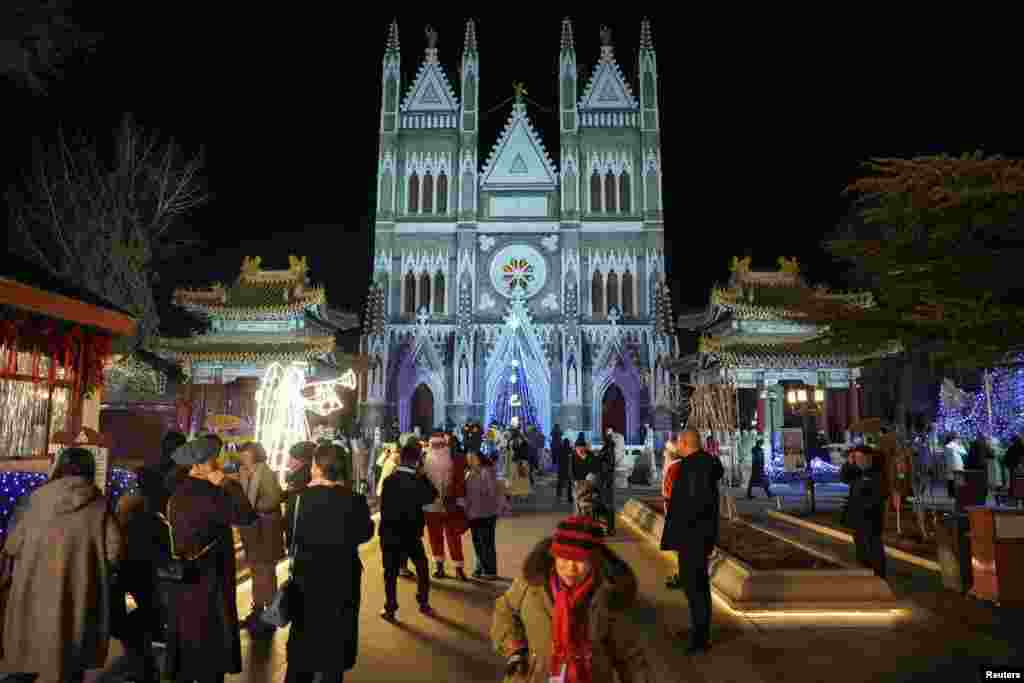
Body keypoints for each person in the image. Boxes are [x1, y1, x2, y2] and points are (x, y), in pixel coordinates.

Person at [2, 448, 123, 683]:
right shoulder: (99, 504)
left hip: (35, 590)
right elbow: (115, 549)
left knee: (30, 655)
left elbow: (13, 544)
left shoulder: (36, 500)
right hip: (79, 592)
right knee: (71, 660)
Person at [490, 516, 653, 683]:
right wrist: (515, 649)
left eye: (580, 560)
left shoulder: (610, 595)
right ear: (554, 556)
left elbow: (629, 656)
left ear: (594, 561)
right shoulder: (531, 584)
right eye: (563, 557)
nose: (570, 568)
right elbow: (505, 610)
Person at [161, 435, 258, 683]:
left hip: (183, 579)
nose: (219, 464)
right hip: (211, 578)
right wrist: (226, 483)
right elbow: (247, 515)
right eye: (214, 460)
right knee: (210, 650)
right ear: (202, 464)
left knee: (184, 644)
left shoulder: (177, 494)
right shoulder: (212, 495)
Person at [285, 443, 374, 683]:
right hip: (343, 579)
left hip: (307, 579)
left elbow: (290, 537)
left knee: (303, 640)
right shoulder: (354, 500)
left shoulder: (298, 499)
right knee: (335, 642)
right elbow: (366, 533)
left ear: (316, 467)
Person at [659, 429, 723, 654]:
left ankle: (700, 638)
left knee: (695, 587)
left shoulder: (693, 467)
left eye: (678, 441)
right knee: (695, 585)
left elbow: (692, 506)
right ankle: (698, 629)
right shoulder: (701, 465)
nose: (676, 444)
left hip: (693, 538)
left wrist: (681, 534)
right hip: (698, 536)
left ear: (685, 443)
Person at [379, 443, 438, 621]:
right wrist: (424, 476)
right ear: (417, 461)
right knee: (422, 566)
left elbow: (384, 507)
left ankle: (390, 608)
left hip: (389, 532)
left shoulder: (389, 480)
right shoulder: (419, 480)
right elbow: (432, 496)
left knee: (390, 572)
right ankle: (423, 601)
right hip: (411, 533)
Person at [236, 441, 285, 634]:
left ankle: (270, 614)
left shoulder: (265, 473)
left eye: (246, 454)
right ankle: (257, 610)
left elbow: (273, 498)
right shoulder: (243, 472)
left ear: (256, 454)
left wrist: (253, 508)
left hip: (266, 527)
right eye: (242, 455)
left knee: (266, 569)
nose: (243, 458)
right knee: (256, 568)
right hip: (251, 528)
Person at [423, 430, 469, 580]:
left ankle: (457, 567)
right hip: (431, 505)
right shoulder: (425, 458)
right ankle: (442, 567)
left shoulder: (454, 459)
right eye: (435, 445)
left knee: (452, 536)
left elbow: (460, 481)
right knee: (437, 537)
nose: (437, 448)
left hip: (449, 503)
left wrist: (460, 500)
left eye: (440, 444)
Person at [845, 447, 887, 579]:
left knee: (874, 547)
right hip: (856, 518)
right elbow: (843, 477)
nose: (857, 461)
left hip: (871, 518)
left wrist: (866, 507)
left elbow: (880, 496)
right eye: (855, 458)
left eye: (859, 458)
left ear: (868, 458)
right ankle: (865, 571)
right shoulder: (856, 472)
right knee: (860, 547)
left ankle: (879, 575)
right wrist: (849, 463)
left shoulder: (876, 474)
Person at [466, 451, 501, 580]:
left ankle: (490, 570)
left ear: (479, 459)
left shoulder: (486, 472)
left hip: (486, 513)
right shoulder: (469, 473)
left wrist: (477, 495)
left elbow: (491, 492)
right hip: (473, 513)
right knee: (478, 543)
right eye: (468, 458)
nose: (469, 460)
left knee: (487, 542)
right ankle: (480, 567)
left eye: (472, 458)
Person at [285, 441, 316, 549]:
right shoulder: (299, 478)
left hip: (300, 537)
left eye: (292, 458)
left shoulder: (301, 480)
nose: (288, 463)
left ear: (303, 460)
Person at [943, 433, 966, 500]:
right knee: (958, 480)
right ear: (955, 439)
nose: (959, 439)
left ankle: (950, 494)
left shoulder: (947, 446)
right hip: (957, 465)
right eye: (958, 438)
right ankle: (957, 494)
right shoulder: (956, 445)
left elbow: (945, 456)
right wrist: (961, 445)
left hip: (949, 465)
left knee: (950, 479)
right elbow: (964, 452)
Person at [556, 436, 574, 504]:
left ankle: (558, 495)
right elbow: (572, 459)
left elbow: (558, 458)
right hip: (568, 468)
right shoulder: (570, 449)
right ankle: (569, 497)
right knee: (569, 484)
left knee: (560, 482)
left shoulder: (561, 449)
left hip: (561, 468)